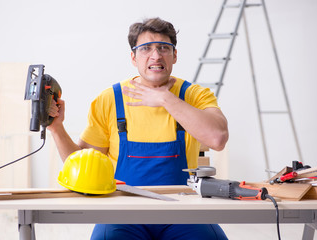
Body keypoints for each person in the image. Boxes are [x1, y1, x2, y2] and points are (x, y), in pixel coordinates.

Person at [48, 17, 229, 240]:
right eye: (146, 49)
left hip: (183, 210)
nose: (156, 55)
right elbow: (82, 168)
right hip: (123, 211)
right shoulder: (109, 100)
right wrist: (56, 128)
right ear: (134, 57)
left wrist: (165, 99)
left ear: (174, 56)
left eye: (164, 47)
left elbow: (218, 138)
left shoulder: (194, 95)